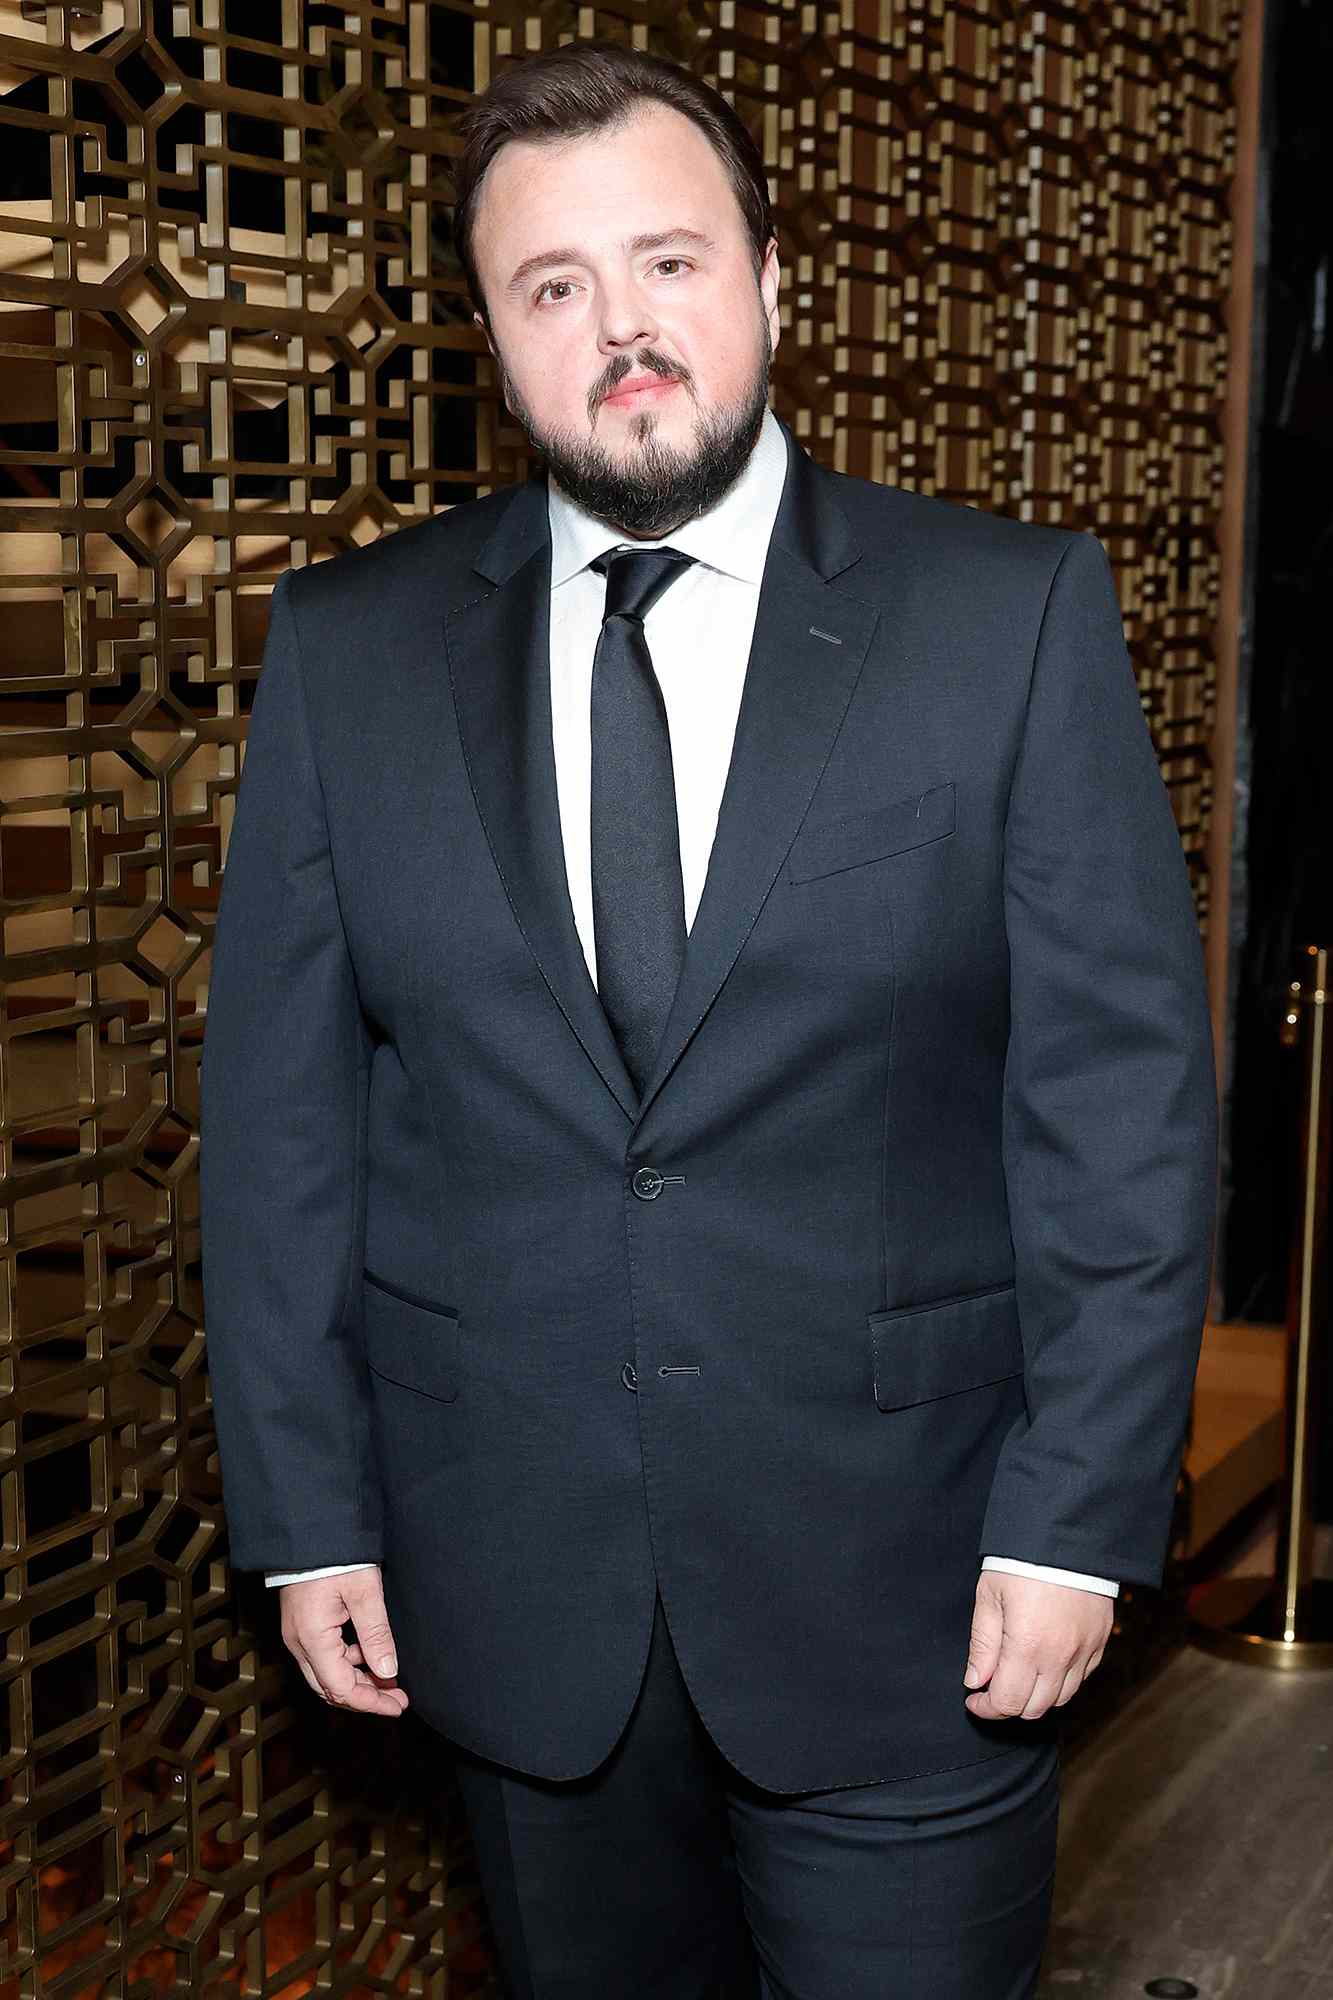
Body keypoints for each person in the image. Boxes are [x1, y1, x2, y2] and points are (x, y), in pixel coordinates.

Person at [198, 40, 1219, 2000]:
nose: (621, 329)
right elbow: (285, 1124)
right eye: (552, 286)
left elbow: (1119, 1104)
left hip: (920, 1591)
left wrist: (1080, 1515)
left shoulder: (1002, 618)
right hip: (506, 1589)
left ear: (768, 278)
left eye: (665, 263)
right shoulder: (349, 653)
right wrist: (307, 1507)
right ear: (492, 339)